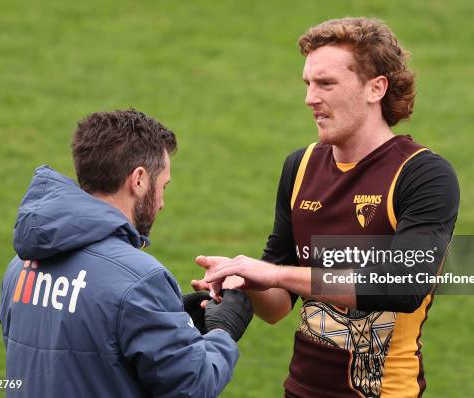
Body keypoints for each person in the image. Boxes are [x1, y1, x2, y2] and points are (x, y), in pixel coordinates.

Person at [193, 18, 460, 398]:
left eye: (326, 84)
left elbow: (403, 284)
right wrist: (246, 280)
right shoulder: (300, 167)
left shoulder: (422, 175)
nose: (310, 98)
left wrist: (276, 274)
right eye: (308, 84)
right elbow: (277, 308)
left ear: (376, 88)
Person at [0, 109, 253, 397]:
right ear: (139, 180)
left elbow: (73, 350)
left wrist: (172, 321)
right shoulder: (140, 279)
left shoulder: (20, 266)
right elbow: (194, 385)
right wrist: (224, 330)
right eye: (163, 186)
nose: (162, 203)